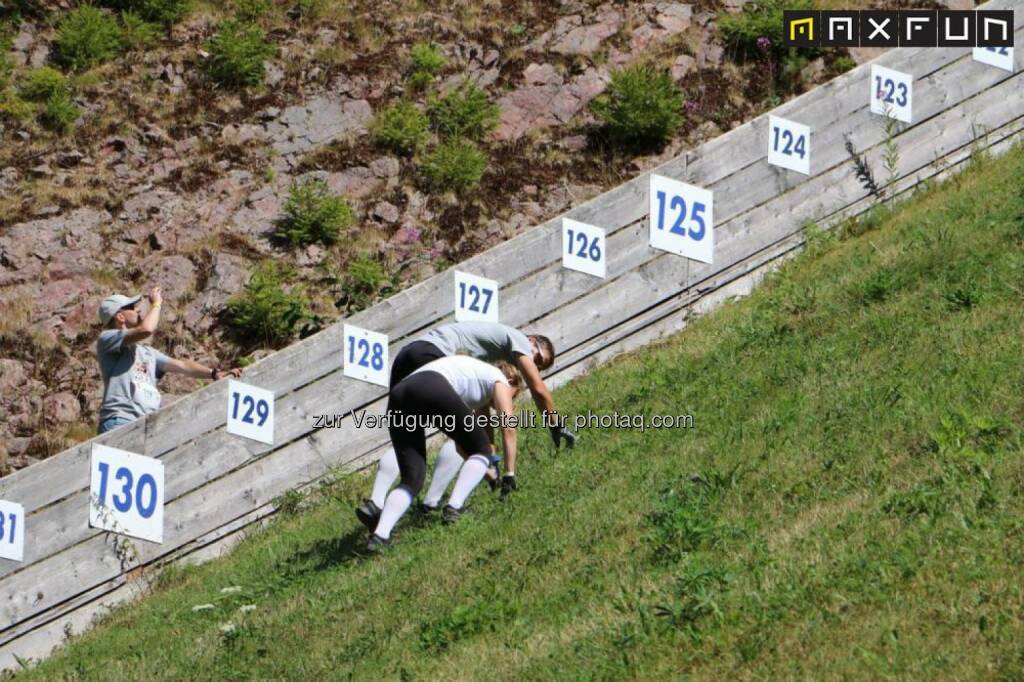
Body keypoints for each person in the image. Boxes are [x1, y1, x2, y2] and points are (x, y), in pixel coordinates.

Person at [355, 321, 576, 530]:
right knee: (460, 435)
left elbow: (482, 418)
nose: (534, 367)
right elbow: (538, 389)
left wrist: (490, 461)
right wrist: (555, 424)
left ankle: (377, 503)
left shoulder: (485, 361)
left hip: (408, 356)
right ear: (532, 340)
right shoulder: (518, 340)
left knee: (410, 439)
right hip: (431, 357)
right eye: (538, 360)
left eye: (540, 367)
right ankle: (440, 503)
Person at [366, 356, 524, 551]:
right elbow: (508, 427)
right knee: (482, 449)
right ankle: (455, 507)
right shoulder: (498, 379)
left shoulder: (473, 381)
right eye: (513, 396)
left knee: (413, 478)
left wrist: (488, 473)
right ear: (510, 381)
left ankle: (379, 536)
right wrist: (509, 474)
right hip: (431, 385)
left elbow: (461, 446)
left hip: (399, 394)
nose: (509, 401)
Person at [95, 287, 242, 434]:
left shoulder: (148, 353)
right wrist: (156, 304)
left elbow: (184, 366)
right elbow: (146, 329)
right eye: (133, 307)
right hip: (120, 420)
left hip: (145, 425)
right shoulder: (106, 339)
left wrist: (214, 373)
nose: (138, 310)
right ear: (120, 316)